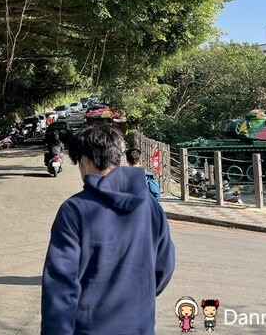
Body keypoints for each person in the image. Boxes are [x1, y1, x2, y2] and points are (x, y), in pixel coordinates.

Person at [41, 124, 175, 334]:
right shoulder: (151, 205)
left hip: (88, 328)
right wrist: (138, 295)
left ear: (85, 161)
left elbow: (60, 284)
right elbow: (164, 267)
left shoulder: (74, 209)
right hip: (140, 326)